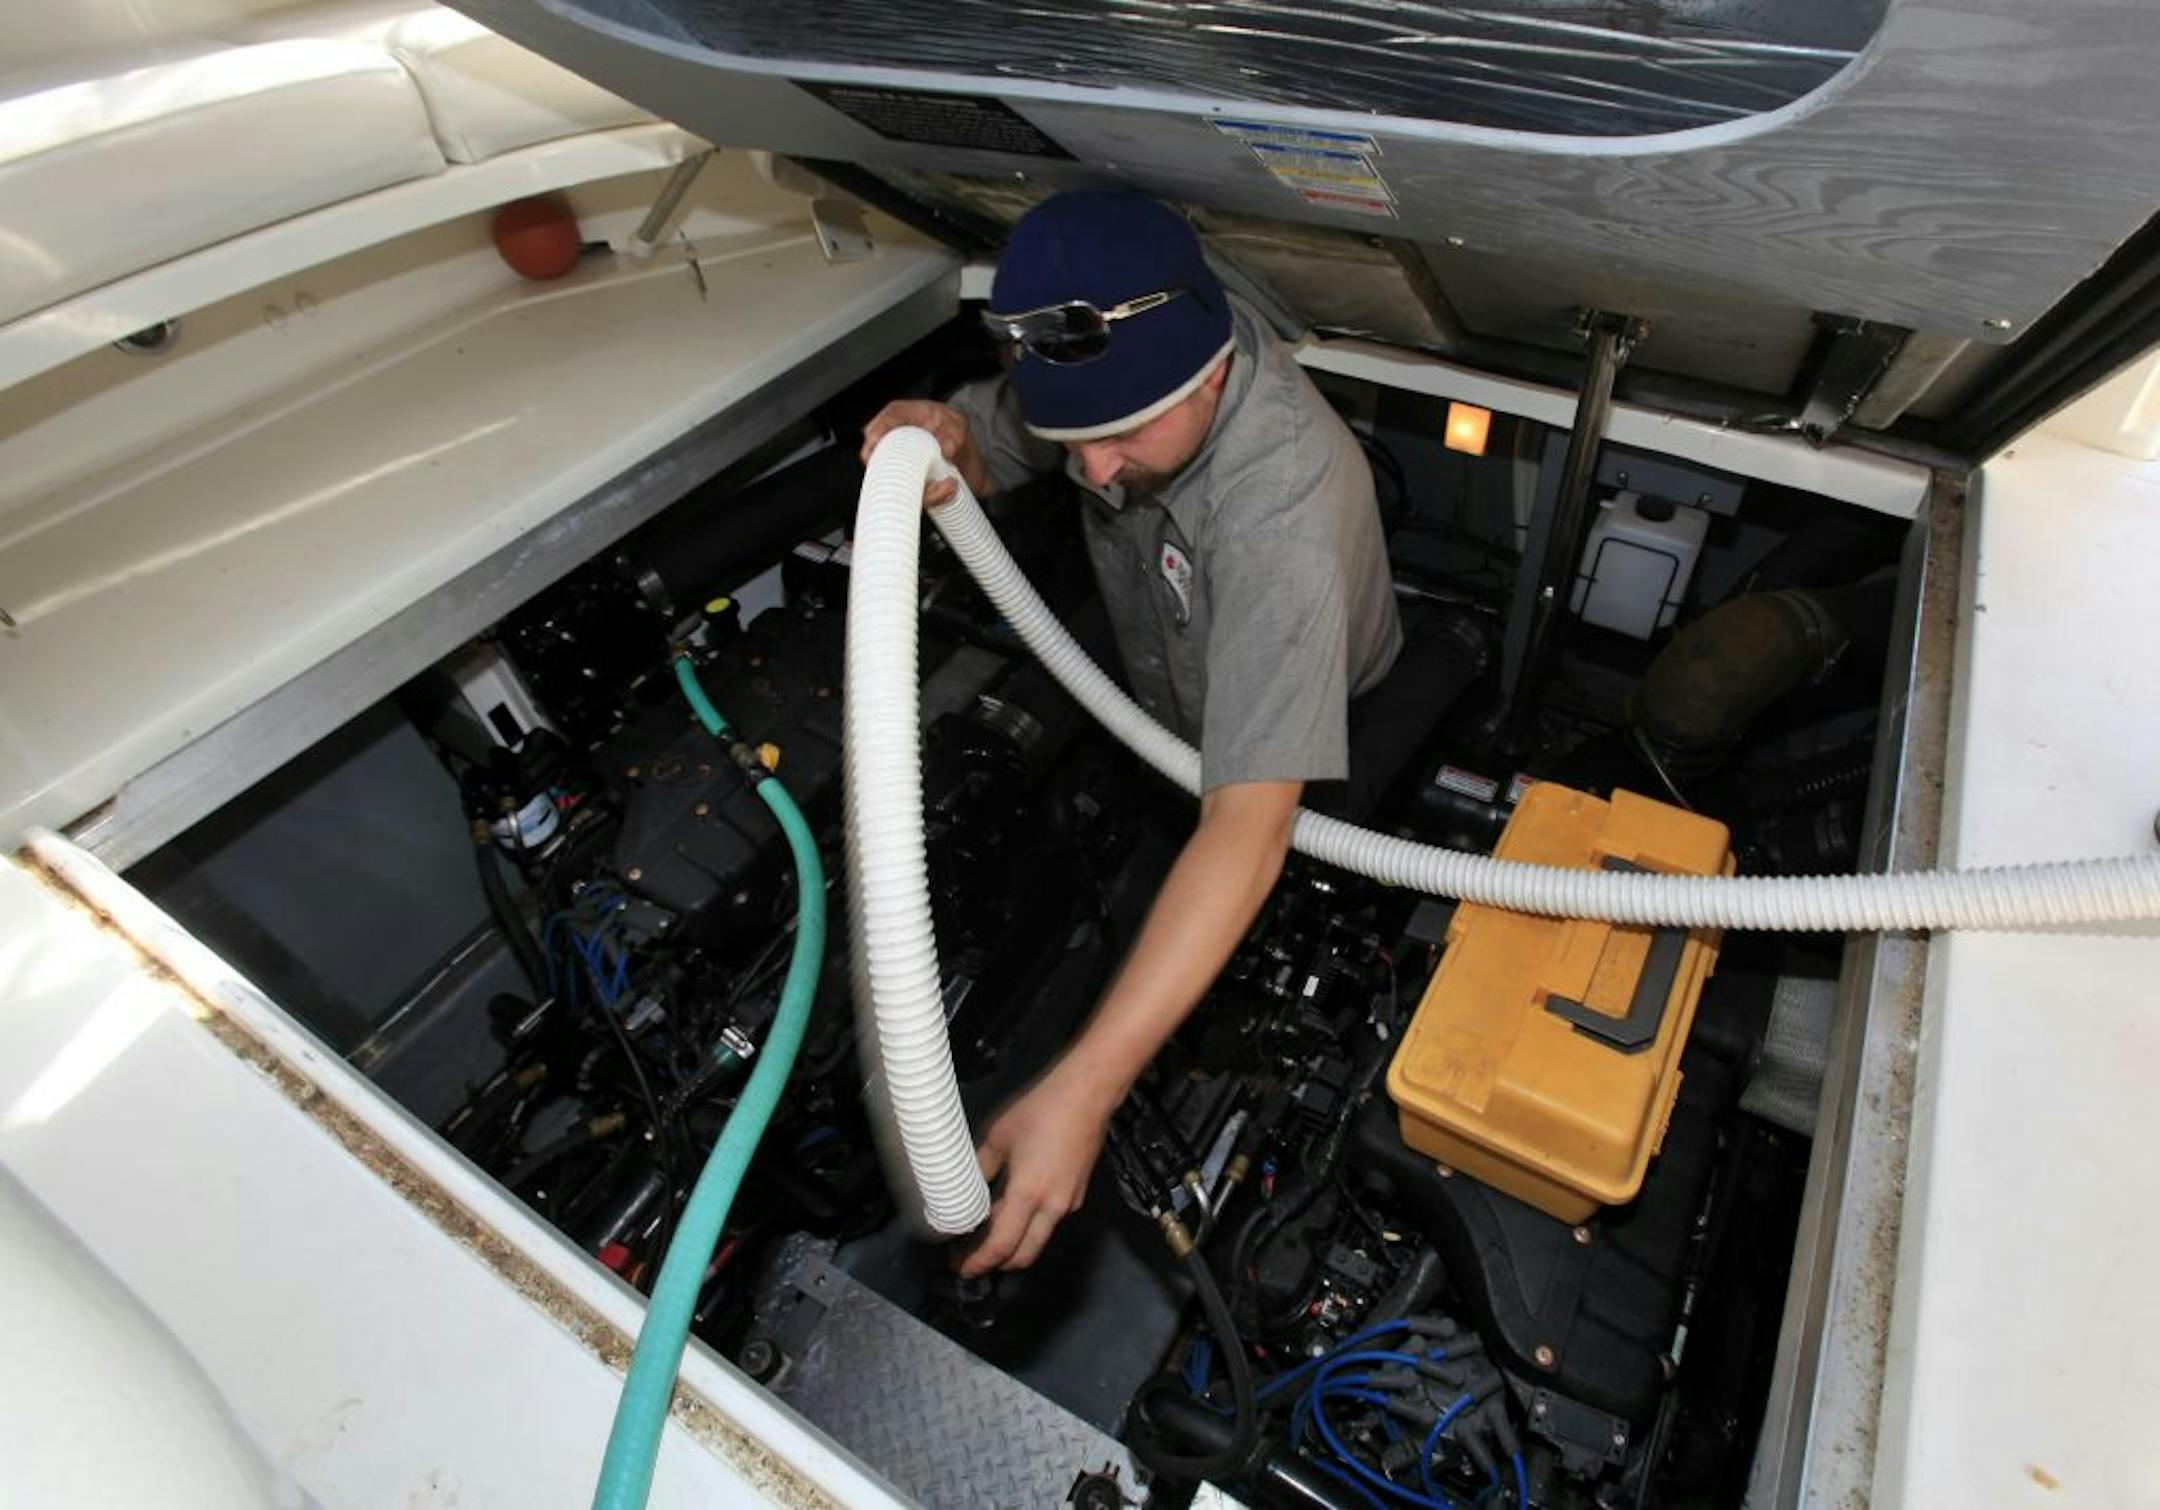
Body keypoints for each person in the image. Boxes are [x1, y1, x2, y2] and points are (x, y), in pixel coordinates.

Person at [860, 190, 1401, 1277]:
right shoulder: (1101, 379)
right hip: (1160, 689)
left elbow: (1248, 831)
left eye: (1123, 436)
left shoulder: (1280, 515)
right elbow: (992, 457)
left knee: (1269, 882)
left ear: (1209, 376)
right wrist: (948, 439)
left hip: (1310, 725)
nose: (1095, 473)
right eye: (1076, 438)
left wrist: (1086, 1086)